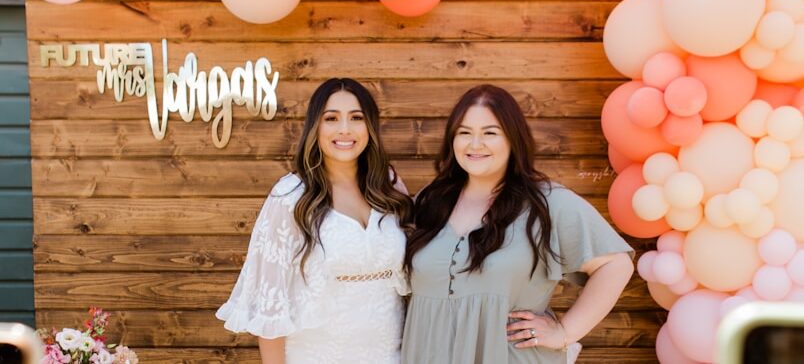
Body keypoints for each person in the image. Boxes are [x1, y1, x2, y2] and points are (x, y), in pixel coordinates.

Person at [402, 84, 634, 364]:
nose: (475, 145)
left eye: (490, 133)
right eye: (464, 133)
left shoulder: (547, 203)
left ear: (513, 139)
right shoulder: (431, 200)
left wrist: (564, 332)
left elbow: (616, 265)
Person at [217, 78, 412, 364]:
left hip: (392, 356)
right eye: (331, 118)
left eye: (356, 118)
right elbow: (270, 309)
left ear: (370, 126)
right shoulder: (290, 197)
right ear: (315, 127)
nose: (345, 128)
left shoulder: (389, 186)